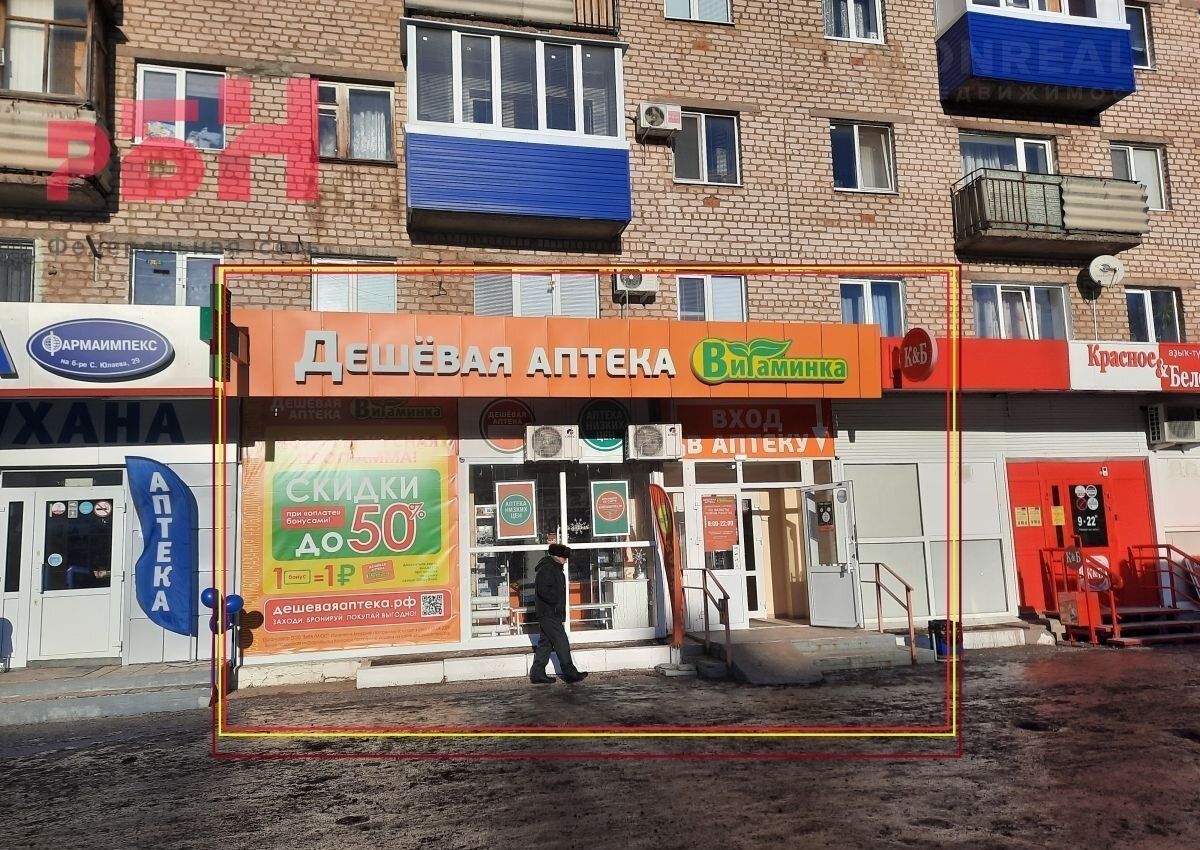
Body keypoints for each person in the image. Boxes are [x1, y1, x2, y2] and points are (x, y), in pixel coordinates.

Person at [529, 543, 589, 685]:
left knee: (546, 643)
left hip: (549, 612)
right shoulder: (548, 569)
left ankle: (537, 673)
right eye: (564, 558)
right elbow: (544, 591)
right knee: (561, 641)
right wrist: (556, 601)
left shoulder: (552, 568)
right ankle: (570, 673)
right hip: (549, 612)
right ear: (558, 557)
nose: (566, 561)